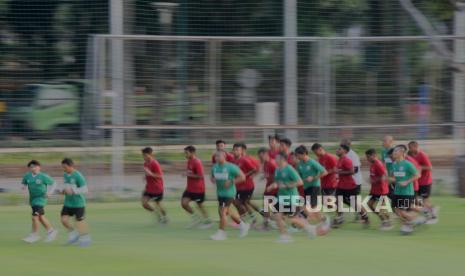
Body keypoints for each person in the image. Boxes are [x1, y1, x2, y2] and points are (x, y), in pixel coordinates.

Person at [266, 153, 318, 243]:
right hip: (281, 198)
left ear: (282, 159)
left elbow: (300, 182)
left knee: (292, 218)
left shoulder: (289, 169)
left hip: (291, 198)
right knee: (278, 216)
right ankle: (284, 236)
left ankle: (309, 228)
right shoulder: (277, 169)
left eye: (277, 159)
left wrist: (287, 185)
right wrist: (272, 186)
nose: (275, 160)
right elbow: (278, 182)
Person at [210, 151, 250, 240]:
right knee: (227, 212)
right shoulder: (214, 167)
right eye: (215, 156)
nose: (216, 158)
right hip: (220, 193)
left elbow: (242, 177)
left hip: (229, 193)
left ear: (224, 156)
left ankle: (221, 233)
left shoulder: (231, 167)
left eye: (218, 156)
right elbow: (212, 177)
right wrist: (213, 180)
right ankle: (243, 226)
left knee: (222, 212)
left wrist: (232, 182)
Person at [389, 146, 426, 234]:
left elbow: (417, 175)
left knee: (402, 211)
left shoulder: (407, 164)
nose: (393, 153)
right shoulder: (394, 164)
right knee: (397, 211)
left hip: (406, 192)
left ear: (402, 153)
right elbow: (395, 178)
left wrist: (406, 182)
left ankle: (416, 220)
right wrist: (389, 179)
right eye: (393, 152)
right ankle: (408, 225)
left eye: (395, 152)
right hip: (397, 191)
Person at [21, 160, 58, 243]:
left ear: (39, 167)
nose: (33, 168)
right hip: (33, 200)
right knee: (40, 217)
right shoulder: (27, 176)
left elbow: (54, 183)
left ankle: (34, 235)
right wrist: (23, 188)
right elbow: (24, 183)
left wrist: (50, 193)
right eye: (31, 167)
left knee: (35, 217)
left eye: (34, 166)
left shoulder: (43, 176)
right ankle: (51, 231)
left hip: (41, 199)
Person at [333, 145, 369, 228]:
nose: (337, 150)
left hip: (349, 186)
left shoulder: (347, 160)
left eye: (339, 149)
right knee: (336, 201)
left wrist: (339, 172)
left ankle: (365, 216)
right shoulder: (339, 160)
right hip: (341, 185)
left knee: (354, 204)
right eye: (337, 148)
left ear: (345, 151)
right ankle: (340, 217)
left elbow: (352, 171)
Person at [295, 145, 330, 227]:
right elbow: (298, 176)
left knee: (307, 206)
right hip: (306, 188)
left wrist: (313, 177)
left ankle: (308, 223)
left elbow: (324, 172)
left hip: (314, 187)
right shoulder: (299, 164)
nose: (296, 156)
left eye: (297, 155)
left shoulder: (312, 162)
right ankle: (323, 220)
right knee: (310, 208)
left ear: (303, 154)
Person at [60, 158, 92, 247]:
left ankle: (86, 239)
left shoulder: (78, 175)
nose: (64, 169)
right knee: (64, 220)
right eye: (62, 167)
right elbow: (66, 187)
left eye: (65, 167)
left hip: (78, 204)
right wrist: (63, 191)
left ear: (71, 166)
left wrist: (73, 191)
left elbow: (85, 189)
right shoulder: (65, 175)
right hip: (68, 203)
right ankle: (74, 235)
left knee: (79, 222)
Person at [181, 146, 212, 229]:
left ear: (192, 153)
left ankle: (208, 221)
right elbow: (191, 172)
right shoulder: (189, 161)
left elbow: (200, 175)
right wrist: (187, 173)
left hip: (198, 189)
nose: (185, 154)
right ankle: (196, 219)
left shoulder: (197, 162)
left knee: (200, 206)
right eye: (185, 153)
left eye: (186, 153)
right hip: (190, 188)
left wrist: (188, 174)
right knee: (184, 203)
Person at [408, 141, 438, 223]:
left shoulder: (422, 155)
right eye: (409, 148)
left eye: (410, 147)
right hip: (417, 182)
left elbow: (430, 167)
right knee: (417, 201)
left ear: (416, 147)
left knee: (425, 201)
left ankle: (432, 215)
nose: (409, 149)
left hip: (425, 181)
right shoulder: (410, 155)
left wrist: (420, 167)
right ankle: (428, 212)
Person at [231, 143, 260, 224]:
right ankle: (252, 219)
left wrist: (244, 175)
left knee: (238, 202)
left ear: (241, 151)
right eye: (234, 150)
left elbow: (254, 169)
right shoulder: (233, 161)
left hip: (247, 186)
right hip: (238, 186)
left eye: (237, 150)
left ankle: (247, 219)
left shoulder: (244, 160)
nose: (235, 151)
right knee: (243, 203)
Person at [365, 149, 392, 230]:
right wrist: (371, 180)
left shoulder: (378, 164)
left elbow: (385, 175)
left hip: (381, 190)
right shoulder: (372, 164)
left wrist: (375, 180)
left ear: (373, 156)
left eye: (368, 157)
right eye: (367, 157)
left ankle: (387, 222)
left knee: (381, 208)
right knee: (369, 205)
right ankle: (385, 219)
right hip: (374, 190)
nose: (367, 159)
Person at [141, 147, 167, 224]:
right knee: (144, 203)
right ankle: (157, 215)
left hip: (157, 188)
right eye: (143, 155)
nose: (144, 157)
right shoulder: (145, 163)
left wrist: (150, 174)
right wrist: (145, 176)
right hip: (149, 188)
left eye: (145, 155)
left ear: (150, 154)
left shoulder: (155, 163)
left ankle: (165, 218)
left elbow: (160, 176)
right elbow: (147, 173)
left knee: (158, 205)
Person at [258, 147, 278, 230]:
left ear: (265, 154)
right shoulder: (265, 164)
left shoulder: (272, 163)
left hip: (275, 188)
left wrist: (274, 184)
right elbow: (269, 174)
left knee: (277, 209)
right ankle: (266, 225)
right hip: (268, 188)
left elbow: (278, 175)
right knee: (266, 206)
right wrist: (264, 176)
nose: (259, 158)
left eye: (260, 156)